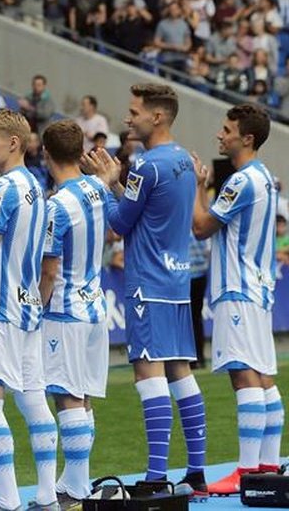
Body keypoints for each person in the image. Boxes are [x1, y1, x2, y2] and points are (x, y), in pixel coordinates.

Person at [82, 83, 206, 495]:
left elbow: (119, 223)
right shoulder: (185, 161)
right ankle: (196, 472)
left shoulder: (148, 165)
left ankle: (156, 479)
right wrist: (119, 184)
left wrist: (104, 183)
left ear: (157, 116)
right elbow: (143, 212)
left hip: (147, 282)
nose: (127, 117)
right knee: (181, 371)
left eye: (134, 111)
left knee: (148, 373)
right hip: (177, 277)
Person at [190, 104, 283, 494]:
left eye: (227, 129)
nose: (220, 135)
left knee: (243, 373)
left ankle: (245, 471)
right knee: (262, 376)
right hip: (259, 287)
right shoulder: (265, 177)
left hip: (237, 288)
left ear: (247, 138)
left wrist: (198, 185)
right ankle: (268, 463)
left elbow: (200, 227)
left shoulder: (240, 181)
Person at [0, 109, 54, 511]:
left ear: (13, 143)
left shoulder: (2, 188)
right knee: (34, 400)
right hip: (27, 306)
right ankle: (46, 493)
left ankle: (7, 500)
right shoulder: (35, 186)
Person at [39, 119, 110, 507]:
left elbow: (49, 269)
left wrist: (35, 305)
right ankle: (74, 482)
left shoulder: (56, 206)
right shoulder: (97, 189)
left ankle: (78, 491)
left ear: (45, 153)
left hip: (65, 310)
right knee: (82, 398)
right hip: (96, 306)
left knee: (67, 398)